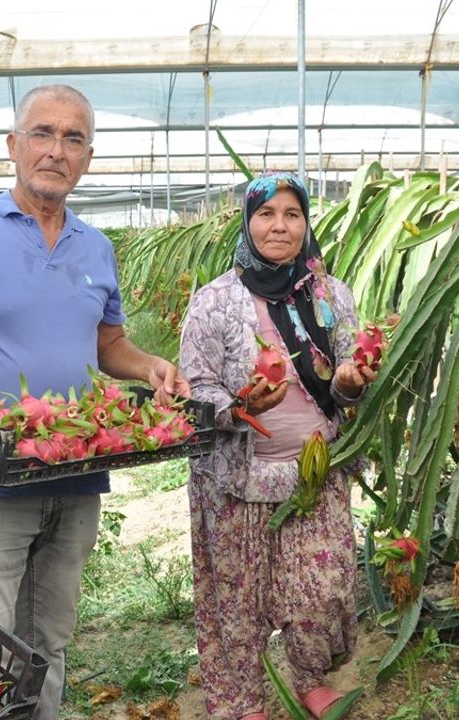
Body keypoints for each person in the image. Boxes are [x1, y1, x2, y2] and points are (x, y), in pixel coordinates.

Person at [0, 84, 190, 720]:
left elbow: (110, 345)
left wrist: (150, 366)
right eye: (43, 133)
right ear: (14, 145)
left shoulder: (96, 247)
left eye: (73, 138)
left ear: (88, 156)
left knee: (50, 638)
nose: (57, 150)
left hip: (75, 474)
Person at [177, 172, 376, 720]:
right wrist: (241, 407)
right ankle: (245, 702)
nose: (280, 226)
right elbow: (195, 388)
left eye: (292, 214)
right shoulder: (215, 300)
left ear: (307, 223)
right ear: (248, 221)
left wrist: (352, 383)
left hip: (317, 472)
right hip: (237, 480)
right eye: (266, 214)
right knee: (238, 602)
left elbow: (343, 376)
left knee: (322, 588)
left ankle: (310, 679)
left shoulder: (331, 296)